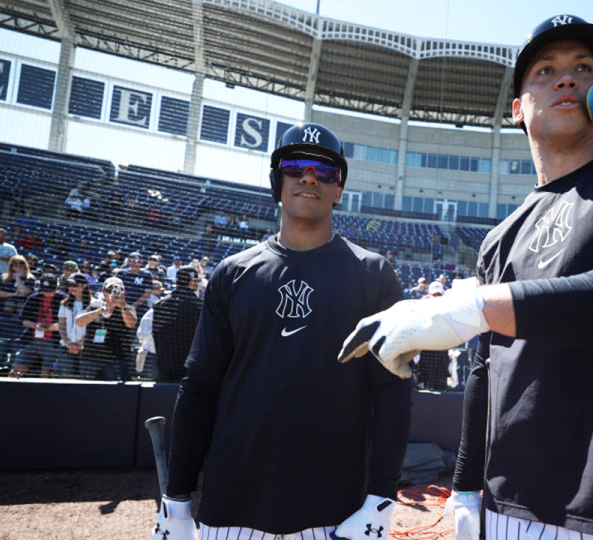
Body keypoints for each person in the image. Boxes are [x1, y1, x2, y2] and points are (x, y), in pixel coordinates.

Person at [338, 16, 593, 540]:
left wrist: (471, 307)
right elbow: (484, 372)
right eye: (545, 70)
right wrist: (468, 488)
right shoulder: (499, 239)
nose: (566, 78)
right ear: (517, 109)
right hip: (510, 511)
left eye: (583, 68)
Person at [153, 123, 412, 540]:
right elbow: (200, 387)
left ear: (339, 189)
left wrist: (381, 499)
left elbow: (392, 392)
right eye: (295, 166)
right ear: (278, 182)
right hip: (233, 500)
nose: (309, 176)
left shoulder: (374, 274)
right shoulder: (232, 273)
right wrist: (177, 499)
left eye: (325, 170)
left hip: (336, 504)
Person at [75, 277, 137, 381]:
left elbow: (131, 324)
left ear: (123, 292)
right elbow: (79, 322)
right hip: (91, 358)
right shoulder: (95, 306)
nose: (112, 293)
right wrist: (98, 312)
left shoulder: (128, 308)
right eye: (109, 290)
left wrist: (123, 307)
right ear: (103, 291)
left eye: (117, 290)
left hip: (117, 359)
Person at [150, 266, 203, 383]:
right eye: (195, 281)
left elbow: (155, 335)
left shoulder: (160, 304)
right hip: (189, 365)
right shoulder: (200, 306)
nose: (197, 284)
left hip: (165, 363)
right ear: (189, 281)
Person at [9, 274, 67, 378]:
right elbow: (23, 319)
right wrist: (35, 325)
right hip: (31, 340)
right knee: (16, 371)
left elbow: (70, 322)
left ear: (57, 287)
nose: (47, 293)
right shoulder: (34, 298)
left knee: (46, 373)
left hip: (53, 342)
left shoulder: (65, 299)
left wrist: (53, 327)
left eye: (50, 290)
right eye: (44, 290)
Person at [0, 255, 36, 367]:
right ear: (11, 265)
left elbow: (24, 292)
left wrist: (18, 279)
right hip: (2, 312)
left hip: (19, 314)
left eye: (21, 264)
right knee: (0, 340)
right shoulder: (3, 277)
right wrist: (13, 294)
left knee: (16, 340)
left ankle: (12, 364)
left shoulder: (30, 278)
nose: (18, 266)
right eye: (15, 264)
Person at [56, 273, 91, 379]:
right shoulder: (64, 304)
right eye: (70, 285)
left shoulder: (93, 304)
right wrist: (68, 343)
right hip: (66, 348)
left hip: (86, 349)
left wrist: (80, 344)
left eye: (74, 285)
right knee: (67, 380)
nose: (71, 288)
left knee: (85, 380)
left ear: (84, 285)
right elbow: (61, 325)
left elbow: (95, 328)